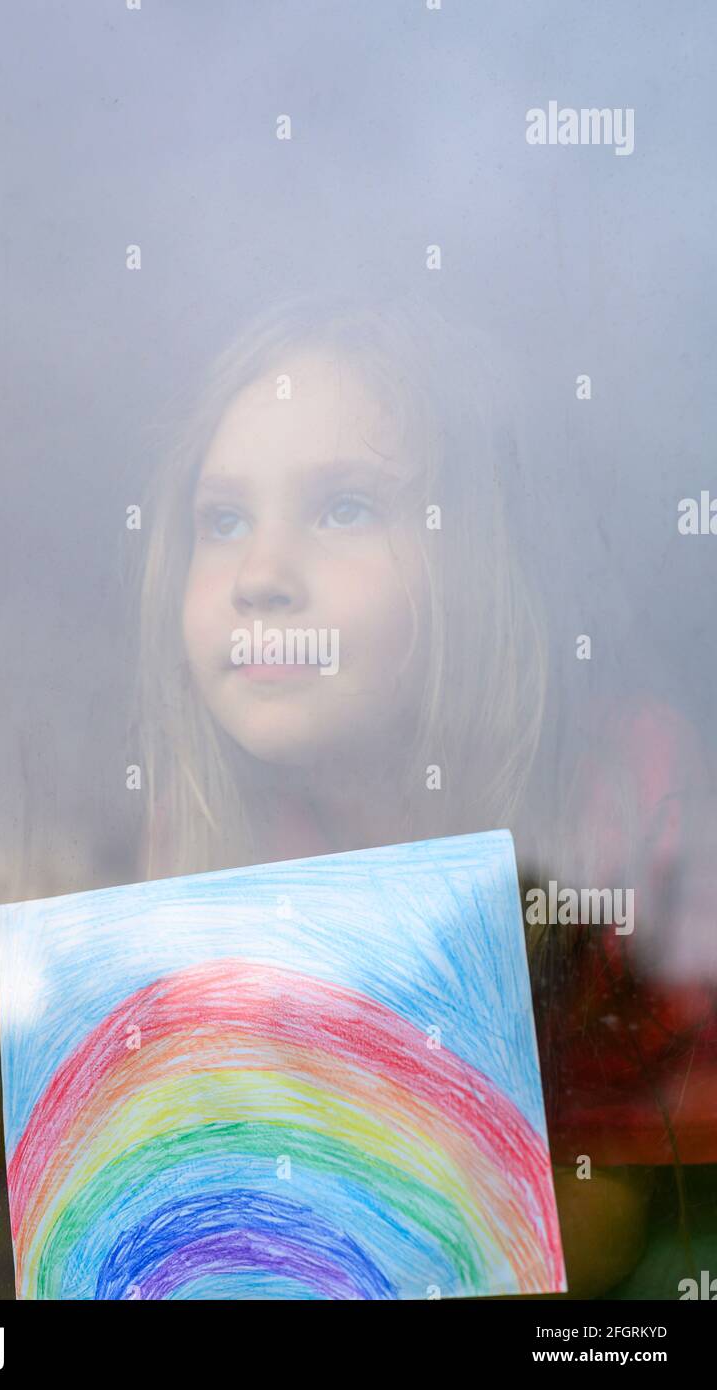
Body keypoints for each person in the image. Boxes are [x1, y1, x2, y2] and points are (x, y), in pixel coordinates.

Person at [128, 292, 717, 1298]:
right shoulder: (206, 842)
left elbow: (670, 1162)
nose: (260, 574)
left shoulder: (628, 795)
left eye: (344, 506)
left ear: (471, 556)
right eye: (221, 520)